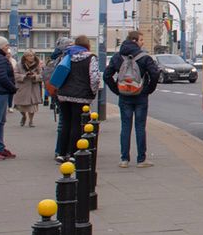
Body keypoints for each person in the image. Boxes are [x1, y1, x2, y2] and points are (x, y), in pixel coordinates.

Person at [103, 30, 160, 168]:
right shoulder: (144, 57)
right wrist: (148, 89)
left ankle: (124, 159)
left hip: (124, 96)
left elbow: (106, 75)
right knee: (140, 126)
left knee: (125, 127)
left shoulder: (117, 57)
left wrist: (117, 90)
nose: (143, 42)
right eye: (141, 40)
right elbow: (155, 74)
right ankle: (141, 159)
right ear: (134, 41)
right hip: (140, 96)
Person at [54, 35, 101, 163]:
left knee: (65, 123)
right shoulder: (91, 58)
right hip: (81, 96)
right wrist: (93, 92)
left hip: (64, 94)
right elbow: (95, 78)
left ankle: (61, 153)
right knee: (77, 124)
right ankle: (74, 153)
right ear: (87, 45)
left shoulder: (67, 55)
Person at [14, 51, 44, 128]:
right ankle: (23, 116)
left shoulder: (37, 65)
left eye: (33, 55)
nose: (32, 57)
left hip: (33, 88)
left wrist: (35, 76)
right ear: (25, 57)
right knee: (21, 106)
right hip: (22, 87)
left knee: (32, 107)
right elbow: (15, 75)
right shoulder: (19, 64)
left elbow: (42, 75)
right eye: (30, 56)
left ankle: (31, 121)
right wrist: (24, 76)